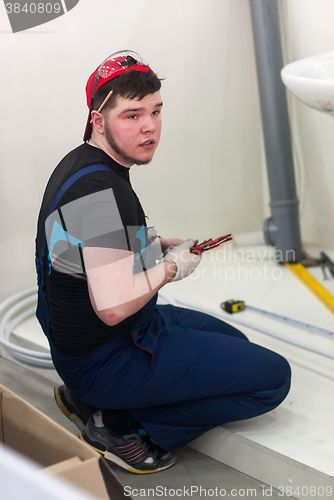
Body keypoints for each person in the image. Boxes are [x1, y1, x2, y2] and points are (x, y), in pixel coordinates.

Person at [35, 50, 291, 474]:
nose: (149, 126)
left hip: (90, 344)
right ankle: (120, 425)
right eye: (132, 115)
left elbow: (77, 255)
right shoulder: (104, 196)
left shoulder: (81, 165)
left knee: (237, 346)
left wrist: (150, 244)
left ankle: (93, 398)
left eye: (155, 111)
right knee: (272, 379)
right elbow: (114, 306)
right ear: (99, 121)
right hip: (106, 356)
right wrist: (172, 269)